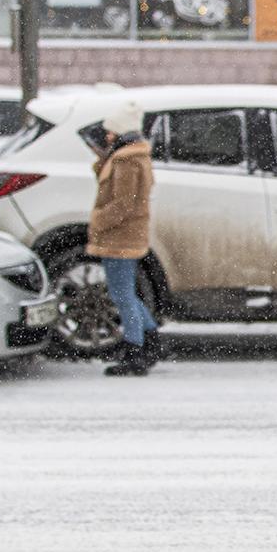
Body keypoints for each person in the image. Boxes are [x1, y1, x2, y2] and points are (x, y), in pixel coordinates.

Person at [86, 100, 161, 378]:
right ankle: (149, 340)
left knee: (121, 294)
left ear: (120, 132)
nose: (106, 136)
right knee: (126, 291)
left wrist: (97, 221)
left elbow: (123, 204)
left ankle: (135, 350)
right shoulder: (128, 155)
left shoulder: (128, 160)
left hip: (120, 236)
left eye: (110, 131)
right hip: (126, 235)